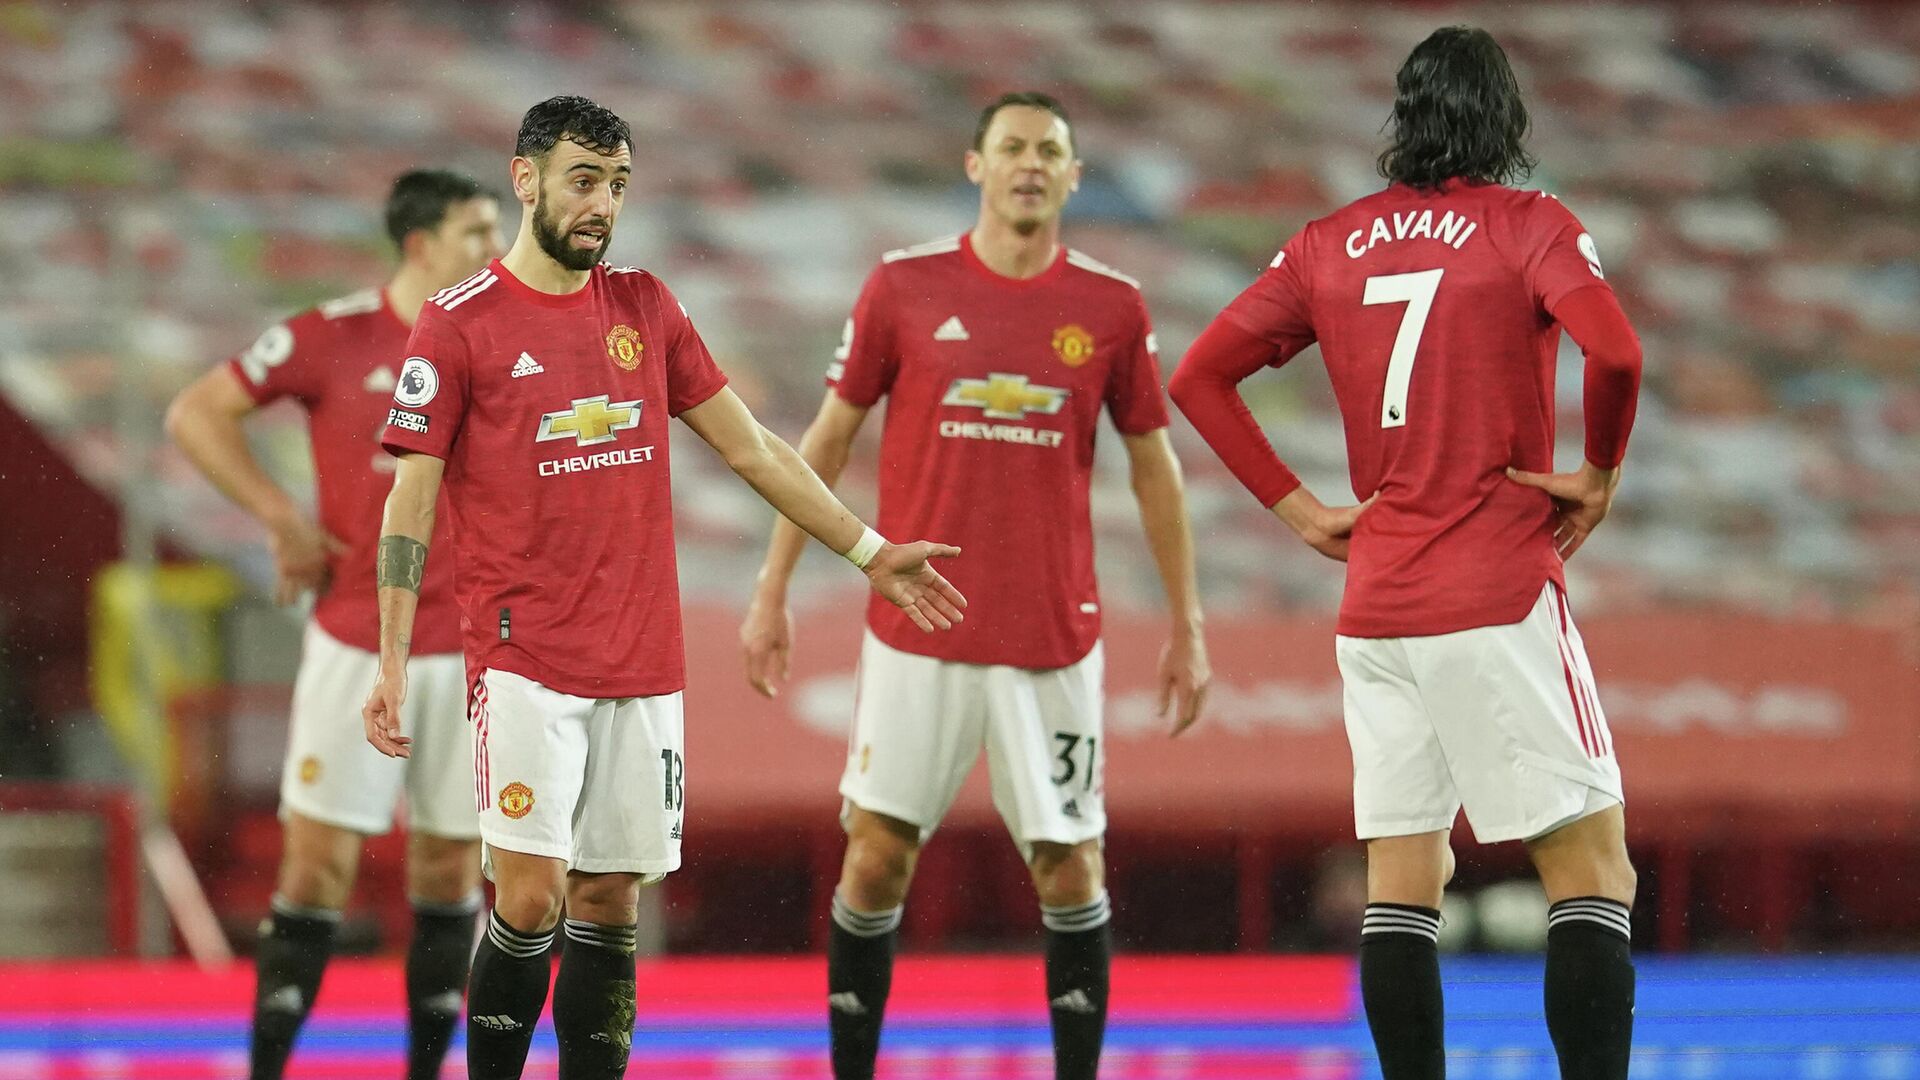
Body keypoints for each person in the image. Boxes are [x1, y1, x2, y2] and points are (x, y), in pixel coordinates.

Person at [362, 94, 966, 1080]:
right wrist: (392, 659)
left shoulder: (645, 306)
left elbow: (754, 448)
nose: (603, 204)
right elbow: (410, 504)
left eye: (619, 185)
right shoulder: (458, 324)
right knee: (528, 896)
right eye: (584, 181)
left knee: (610, 901)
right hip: (525, 656)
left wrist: (867, 549)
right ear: (526, 180)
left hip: (642, 661)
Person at [1169, 27, 1643, 1080]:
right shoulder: (1531, 225)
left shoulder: (1326, 242)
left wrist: (1295, 508)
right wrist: (1600, 469)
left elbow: (1199, 374)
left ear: (1405, 116)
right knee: (1592, 870)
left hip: (1378, 607)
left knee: (1401, 880)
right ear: (1505, 117)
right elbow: (1615, 348)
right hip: (1496, 584)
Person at [740, 91, 1211, 1080]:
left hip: (1052, 639)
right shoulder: (903, 287)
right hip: (917, 632)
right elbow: (826, 438)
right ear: (976, 166)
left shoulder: (1113, 306)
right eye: (1013, 148)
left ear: (1075, 177)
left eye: (1050, 151)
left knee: (1069, 862)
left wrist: (1187, 621)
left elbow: (1154, 466)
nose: (1031, 164)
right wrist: (773, 585)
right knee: (876, 854)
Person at [165, 169, 502, 1080]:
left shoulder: (505, 341)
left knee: (449, 876)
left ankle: (427, 1073)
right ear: (421, 244)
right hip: (356, 641)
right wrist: (279, 517)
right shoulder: (334, 335)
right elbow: (197, 412)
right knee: (314, 871)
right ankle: (268, 1068)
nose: (495, 251)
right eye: (477, 234)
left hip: (471, 654)